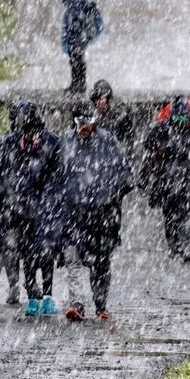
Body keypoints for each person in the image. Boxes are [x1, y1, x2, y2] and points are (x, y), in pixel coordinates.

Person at [37, 100, 133, 321]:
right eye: (80, 122)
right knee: (72, 260)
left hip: (103, 217)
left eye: (88, 121)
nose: (84, 126)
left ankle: (101, 306)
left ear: (94, 120)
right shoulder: (65, 143)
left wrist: (110, 197)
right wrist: (55, 203)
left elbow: (127, 177)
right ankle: (77, 305)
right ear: (74, 122)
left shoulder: (108, 143)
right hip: (73, 215)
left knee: (101, 263)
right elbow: (52, 177)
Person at [0, 100, 61, 316]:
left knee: (40, 251)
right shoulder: (4, 144)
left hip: (38, 210)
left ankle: (41, 292)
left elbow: (59, 170)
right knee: (16, 250)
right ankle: (19, 287)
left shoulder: (50, 143)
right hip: (11, 210)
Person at [138, 95, 190, 263]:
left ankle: (185, 246)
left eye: (183, 117)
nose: (180, 121)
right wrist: (146, 176)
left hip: (189, 175)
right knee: (170, 212)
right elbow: (148, 149)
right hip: (168, 175)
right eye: (177, 118)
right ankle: (175, 245)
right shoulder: (162, 128)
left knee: (188, 210)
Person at [58, 0, 104, 95]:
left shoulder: (72, 9)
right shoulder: (82, 6)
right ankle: (79, 85)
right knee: (78, 62)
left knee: (75, 63)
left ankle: (77, 85)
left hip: (75, 41)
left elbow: (67, 28)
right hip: (81, 40)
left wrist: (66, 43)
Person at [90, 79, 135, 155]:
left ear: (108, 100)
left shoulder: (121, 117)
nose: (100, 102)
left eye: (103, 99)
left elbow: (129, 141)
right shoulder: (91, 117)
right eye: (97, 99)